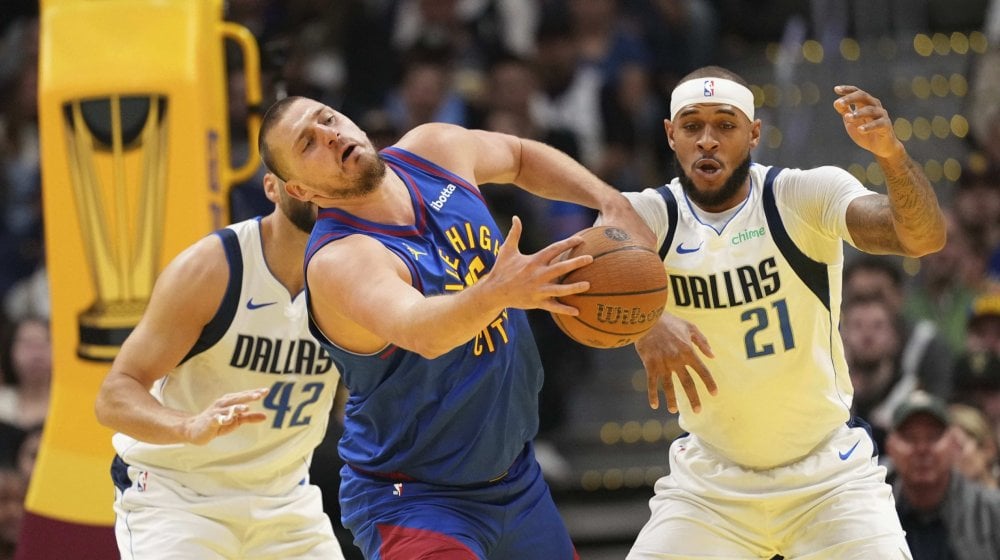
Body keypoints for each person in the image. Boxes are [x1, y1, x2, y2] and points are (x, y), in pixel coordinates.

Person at [257, 94, 650, 559]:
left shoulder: (434, 149)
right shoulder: (341, 258)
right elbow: (421, 330)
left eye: (328, 119)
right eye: (308, 144)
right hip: (414, 499)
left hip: (515, 480)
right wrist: (498, 292)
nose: (330, 135)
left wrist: (608, 200)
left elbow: (521, 157)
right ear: (300, 191)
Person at [621, 65, 947, 558]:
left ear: (754, 132)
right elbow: (571, 280)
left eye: (726, 125)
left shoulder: (801, 196)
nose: (707, 140)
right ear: (670, 135)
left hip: (829, 478)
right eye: (692, 126)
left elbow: (922, 238)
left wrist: (891, 155)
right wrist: (643, 321)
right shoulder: (644, 216)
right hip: (710, 485)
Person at [93, 173, 347, 560]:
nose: (318, 182)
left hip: (287, 502)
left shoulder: (356, 271)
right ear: (273, 187)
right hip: (178, 498)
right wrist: (186, 425)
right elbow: (113, 396)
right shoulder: (214, 267)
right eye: (302, 155)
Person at [886, 390, 1000, 559]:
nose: (922, 449)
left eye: (933, 437)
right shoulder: (875, 512)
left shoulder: (991, 511)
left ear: (954, 444)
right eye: (910, 438)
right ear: (890, 447)